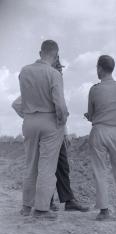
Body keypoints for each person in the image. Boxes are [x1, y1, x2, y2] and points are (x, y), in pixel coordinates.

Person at [13, 56, 89, 213]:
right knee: (46, 168)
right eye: (58, 68)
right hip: (49, 130)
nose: (61, 71)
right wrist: (31, 115)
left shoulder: (55, 83)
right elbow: (17, 104)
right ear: (52, 66)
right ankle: (47, 203)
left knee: (61, 166)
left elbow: (59, 110)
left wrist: (65, 134)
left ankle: (67, 201)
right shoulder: (42, 85)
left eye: (61, 69)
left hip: (56, 131)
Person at [17, 40, 69, 219]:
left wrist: (29, 116)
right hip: (49, 121)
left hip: (29, 120)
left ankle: (26, 207)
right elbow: (60, 105)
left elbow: (21, 100)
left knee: (30, 164)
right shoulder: (54, 74)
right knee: (47, 166)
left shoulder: (24, 72)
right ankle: (41, 209)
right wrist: (62, 122)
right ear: (55, 56)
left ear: (40, 53)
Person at [85, 55, 116, 221]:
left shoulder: (94, 89)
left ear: (99, 68)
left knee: (100, 171)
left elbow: (91, 115)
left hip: (99, 131)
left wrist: (91, 116)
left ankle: (104, 210)